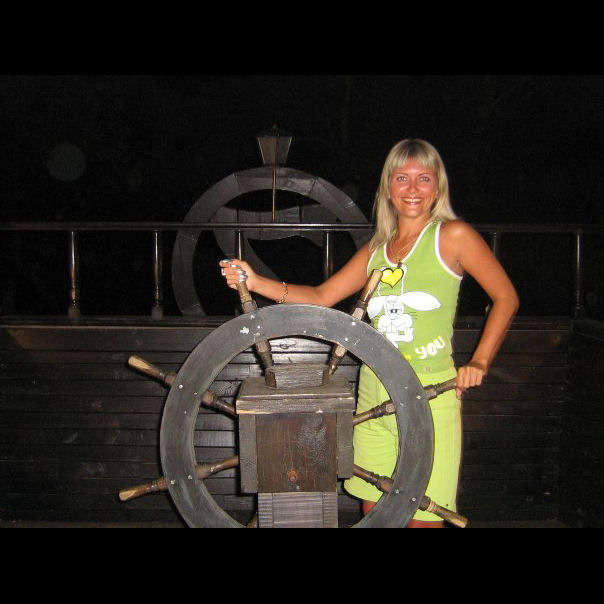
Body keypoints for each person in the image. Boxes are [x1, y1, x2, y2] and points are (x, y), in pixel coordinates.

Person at [219, 138, 519, 527]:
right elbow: (322, 297)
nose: (413, 188)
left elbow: (506, 297)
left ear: (438, 187)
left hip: (430, 394)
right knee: (375, 514)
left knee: (422, 519)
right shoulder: (377, 250)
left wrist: (480, 361)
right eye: (402, 178)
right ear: (388, 188)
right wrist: (256, 281)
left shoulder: (453, 236)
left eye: (424, 178)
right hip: (374, 392)